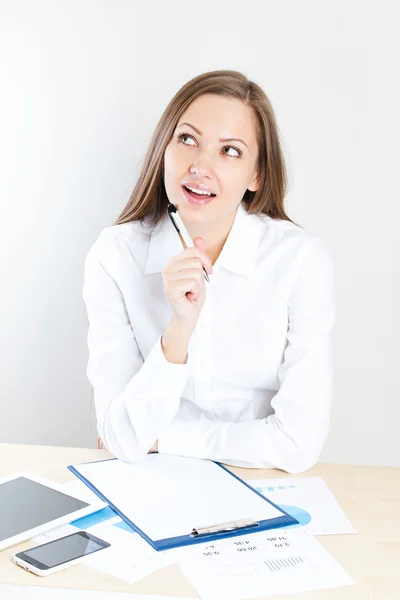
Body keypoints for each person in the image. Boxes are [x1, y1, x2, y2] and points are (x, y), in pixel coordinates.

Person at [83, 70, 335, 473]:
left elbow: (299, 443)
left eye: (230, 151)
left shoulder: (299, 261)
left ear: (257, 175)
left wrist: (164, 439)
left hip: (261, 485)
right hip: (149, 484)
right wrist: (178, 331)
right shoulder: (114, 256)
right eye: (187, 140)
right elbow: (119, 436)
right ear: (164, 149)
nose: (200, 166)